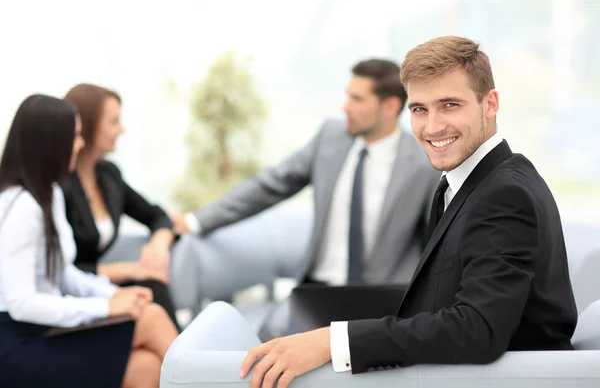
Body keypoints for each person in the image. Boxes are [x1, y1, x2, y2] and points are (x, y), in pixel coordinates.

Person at [238, 36, 578, 388]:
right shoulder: (461, 184)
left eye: (449, 105)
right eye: (419, 109)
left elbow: (478, 329)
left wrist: (333, 342)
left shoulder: (504, 194)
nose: (432, 127)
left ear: (489, 104)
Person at [173, 58, 439, 281]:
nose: (345, 106)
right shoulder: (330, 138)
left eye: (357, 99)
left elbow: (437, 241)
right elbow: (270, 185)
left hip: (385, 299)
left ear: (391, 106)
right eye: (348, 96)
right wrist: (195, 221)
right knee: (271, 334)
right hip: (318, 288)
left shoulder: (423, 162)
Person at [0, 94, 179, 388]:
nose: (80, 145)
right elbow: (22, 304)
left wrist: (113, 294)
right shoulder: (20, 207)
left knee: (147, 368)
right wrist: (106, 307)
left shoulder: (50, 194)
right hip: (16, 343)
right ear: (49, 144)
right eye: (75, 136)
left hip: (43, 328)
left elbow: (64, 274)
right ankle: (210, 378)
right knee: (152, 318)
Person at [59, 83, 180, 329]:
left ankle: (182, 360)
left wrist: (159, 243)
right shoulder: (58, 186)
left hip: (96, 285)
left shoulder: (108, 176)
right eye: (114, 122)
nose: (122, 130)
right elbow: (59, 269)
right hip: (68, 295)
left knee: (152, 287)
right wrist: (129, 270)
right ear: (89, 125)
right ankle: (182, 362)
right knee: (147, 289)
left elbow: (157, 215)